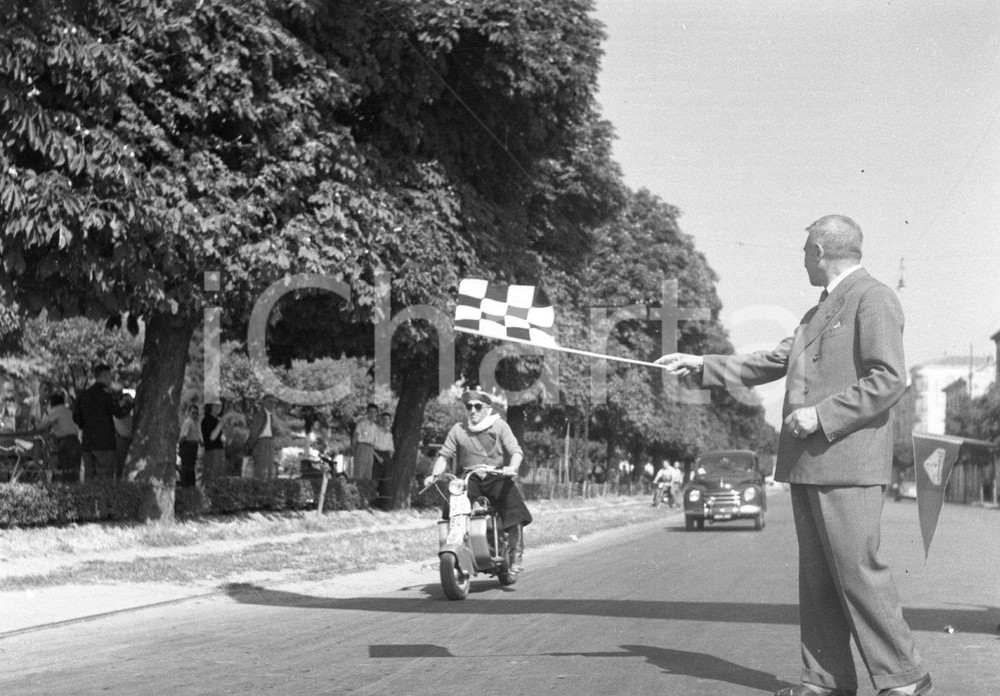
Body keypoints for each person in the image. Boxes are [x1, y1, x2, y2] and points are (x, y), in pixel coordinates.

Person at [656, 215, 930, 696]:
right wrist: (701, 364)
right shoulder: (816, 312)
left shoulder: (875, 297)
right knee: (818, 580)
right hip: (810, 464)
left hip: (849, 464)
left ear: (820, 252)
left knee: (858, 572)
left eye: (805, 251)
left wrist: (822, 416)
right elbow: (773, 360)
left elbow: (889, 379)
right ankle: (825, 682)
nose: (803, 260)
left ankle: (905, 678)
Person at [423, 389, 532, 573]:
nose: (472, 410)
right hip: (470, 477)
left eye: (477, 406)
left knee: (513, 504)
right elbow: (444, 456)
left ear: (487, 408)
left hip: (496, 475)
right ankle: (455, 547)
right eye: (469, 407)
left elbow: (516, 451)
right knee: (452, 503)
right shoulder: (458, 429)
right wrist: (434, 475)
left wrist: (512, 467)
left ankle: (515, 554)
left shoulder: (499, 426)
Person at [73, 364, 132, 481]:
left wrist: (85, 425)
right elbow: (119, 413)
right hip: (105, 443)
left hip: (87, 443)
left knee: (89, 478)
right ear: (104, 375)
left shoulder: (84, 395)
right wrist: (130, 403)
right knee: (105, 479)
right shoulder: (108, 393)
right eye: (110, 376)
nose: (111, 379)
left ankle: (89, 494)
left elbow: (76, 418)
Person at [37, 391, 82, 483]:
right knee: (74, 470)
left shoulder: (56, 411)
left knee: (67, 470)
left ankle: (69, 488)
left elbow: (41, 426)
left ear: (51, 403)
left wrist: (44, 414)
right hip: (76, 441)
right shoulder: (67, 410)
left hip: (67, 443)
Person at [245, 395, 278, 479]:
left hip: (270, 443)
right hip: (261, 443)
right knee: (260, 471)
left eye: (274, 402)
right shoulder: (259, 415)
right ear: (264, 402)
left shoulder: (272, 416)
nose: (273, 404)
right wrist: (252, 446)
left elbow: (277, 430)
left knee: (269, 472)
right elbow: (253, 433)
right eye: (270, 402)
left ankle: (267, 486)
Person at [201, 402, 229, 486]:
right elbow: (212, 437)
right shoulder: (207, 419)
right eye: (216, 405)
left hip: (220, 451)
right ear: (210, 406)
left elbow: (222, 437)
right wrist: (221, 423)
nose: (218, 407)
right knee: (210, 478)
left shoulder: (217, 420)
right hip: (212, 452)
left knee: (220, 477)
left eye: (220, 405)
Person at [111, 384, 134, 481]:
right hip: (122, 439)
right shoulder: (120, 407)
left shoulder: (121, 406)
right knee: (121, 466)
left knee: (122, 466)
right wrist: (130, 402)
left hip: (126, 438)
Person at [350, 403, 379, 480]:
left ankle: (366, 487)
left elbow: (375, 441)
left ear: (376, 413)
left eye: (374, 412)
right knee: (359, 472)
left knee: (368, 473)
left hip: (371, 449)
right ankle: (357, 486)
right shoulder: (361, 424)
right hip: (362, 448)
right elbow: (355, 438)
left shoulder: (375, 427)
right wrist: (354, 450)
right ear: (367, 412)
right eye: (370, 412)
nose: (372, 414)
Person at [372, 411, 395, 504]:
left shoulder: (390, 434)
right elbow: (371, 445)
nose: (386, 421)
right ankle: (373, 500)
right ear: (381, 420)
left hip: (386, 456)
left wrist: (388, 459)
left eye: (388, 420)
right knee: (375, 477)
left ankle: (383, 503)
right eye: (384, 419)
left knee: (386, 479)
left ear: (390, 421)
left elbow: (391, 449)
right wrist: (377, 457)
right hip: (376, 454)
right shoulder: (376, 431)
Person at [178, 404, 201, 488]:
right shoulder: (188, 422)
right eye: (193, 413)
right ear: (189, 412)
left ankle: (191, 486)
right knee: (186, 467)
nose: (195, 415)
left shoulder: (196, 423)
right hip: (187, 446)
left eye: (196, 413)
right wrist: (179, 445)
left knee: (191, 467)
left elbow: (197, 436)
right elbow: (183, 436)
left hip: (193, 447)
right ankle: (185, 486)